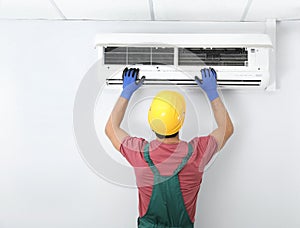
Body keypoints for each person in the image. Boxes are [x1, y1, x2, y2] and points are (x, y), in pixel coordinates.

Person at [105, 67, 234, 228]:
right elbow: (227, 128)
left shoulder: (138, 152)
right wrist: (212, 93)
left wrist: (126, 92)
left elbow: (111, 129)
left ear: (151, 122)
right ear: (182, 121)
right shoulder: (198, 153)